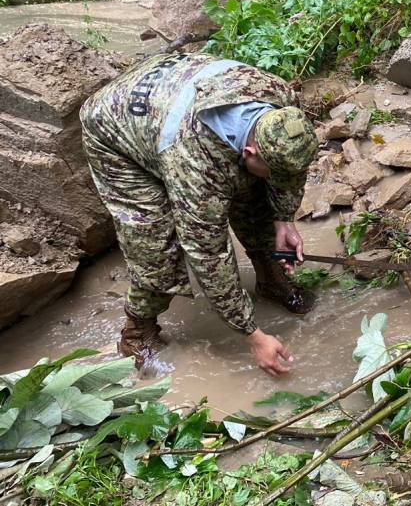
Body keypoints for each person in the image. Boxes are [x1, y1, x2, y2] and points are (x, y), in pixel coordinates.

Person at [80, 52, 319, 374]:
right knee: (154, 243)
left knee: (255, 190)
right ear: (249, 150)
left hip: (172, 90)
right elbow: (208, 255)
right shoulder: (195, 162)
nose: (281, 179)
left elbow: (288, 170)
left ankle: (271, 276)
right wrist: (251, 333)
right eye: (271, 168)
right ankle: (138, 330)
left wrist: (284, 218)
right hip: (114, 129)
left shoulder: (282, 107)